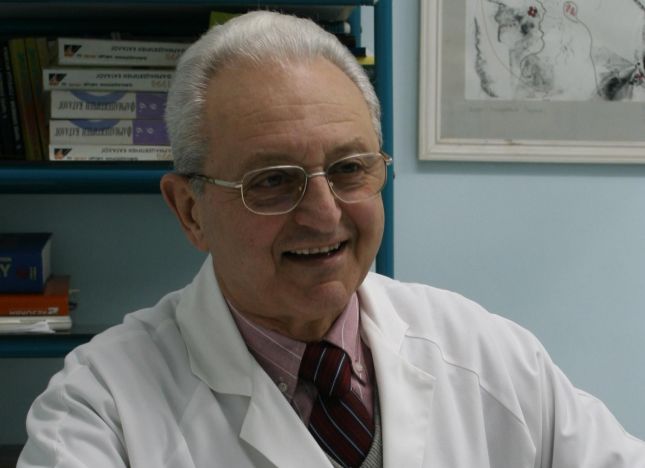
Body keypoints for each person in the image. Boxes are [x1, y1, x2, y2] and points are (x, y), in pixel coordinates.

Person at [18, 10, 645, 468]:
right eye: (272, 181)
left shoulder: (487, 355)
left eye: (349, 169)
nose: (323, 215)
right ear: (190, 211)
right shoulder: (99, 409)